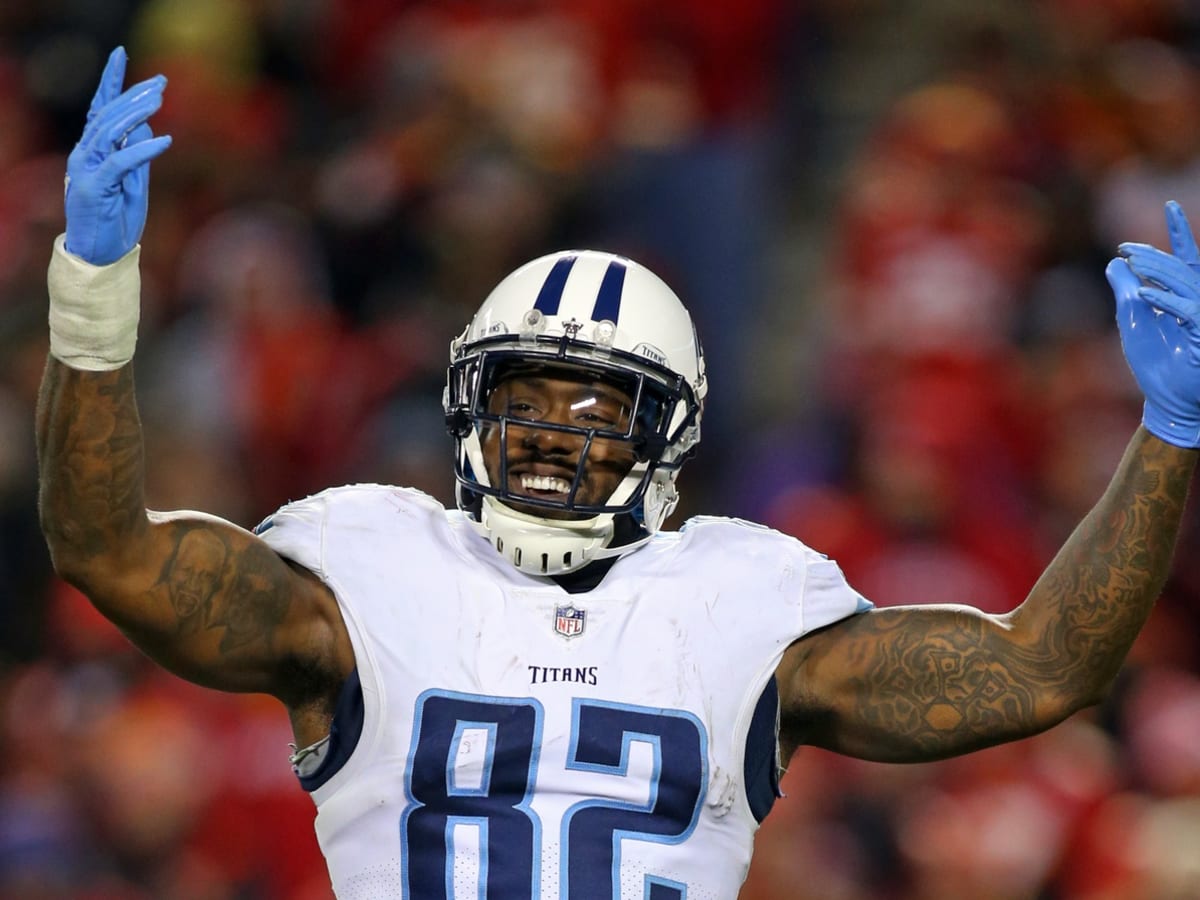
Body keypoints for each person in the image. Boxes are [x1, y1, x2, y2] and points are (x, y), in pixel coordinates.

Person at [36, 48, 1200, 900]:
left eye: (597, 406)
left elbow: (1044, 669)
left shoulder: (748, 600)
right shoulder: (368, 565)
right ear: (467, 406)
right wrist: (91, 296)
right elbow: (106, 549)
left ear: (669, 437)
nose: (549, 433)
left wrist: (1171, 430)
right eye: (521, 398)